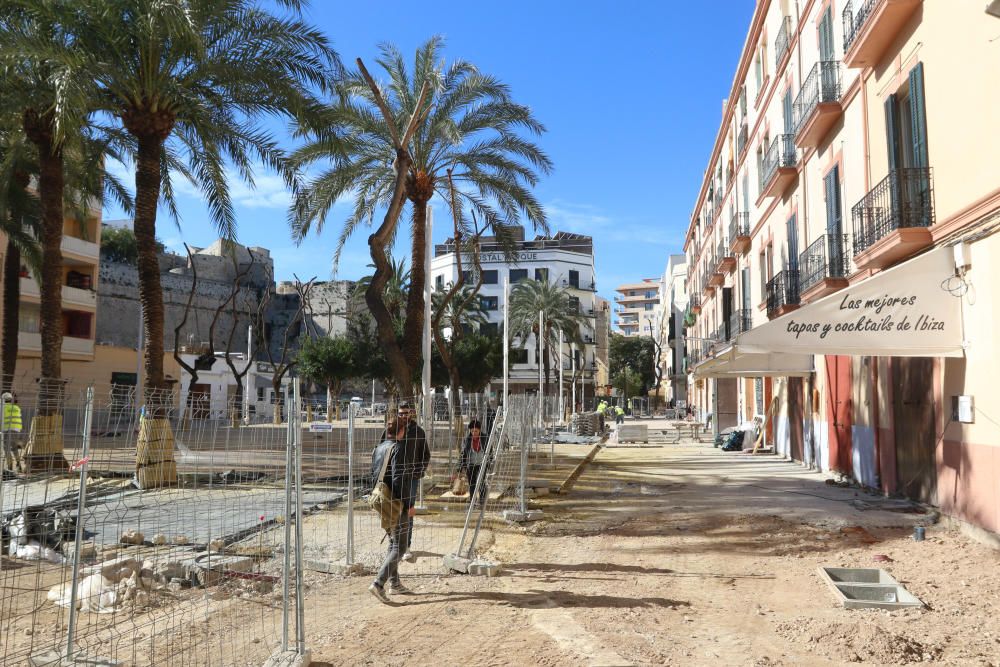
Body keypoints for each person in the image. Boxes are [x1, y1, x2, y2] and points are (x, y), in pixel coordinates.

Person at [369, 416, 421, 603]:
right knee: (400, 547)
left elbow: (373, 474)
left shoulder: (378, 448)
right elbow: (400, 479)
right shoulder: (398, 448)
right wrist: (408, 505)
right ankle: (378, 583)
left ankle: (395, 583)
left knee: (393, 542)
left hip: (381, 500)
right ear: (401, 431)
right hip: (396, 503)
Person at [379, 401, 429, 565]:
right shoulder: (391, 430)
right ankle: (393, 545)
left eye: (406, 413)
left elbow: (425, 455)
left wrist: (418, 472)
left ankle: (406, 546)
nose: (404, 416)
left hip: (411, 479)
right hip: (391, 479)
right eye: (401, 413)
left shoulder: (418, 432)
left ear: (411, 413)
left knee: (408, 510)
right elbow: (381, 449)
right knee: (391, 510)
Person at [457, 419, 489, 506]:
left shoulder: (485, 438)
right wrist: (459, 468)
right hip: (470, 465)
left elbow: (490, 452)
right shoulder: (467, 440)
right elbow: (463, 454)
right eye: (472, 431)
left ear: (479, 430)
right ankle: (472, 501)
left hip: (482, 464)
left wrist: (489, 463)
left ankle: (482, 501)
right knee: (472, 484)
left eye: (476, 431)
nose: (474, 433)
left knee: (481, 482)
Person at [2, 392, 23, 476]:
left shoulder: (3, 407)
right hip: (17, 430)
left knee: (6, 448)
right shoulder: (16, 407)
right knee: (14, 448)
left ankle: (10, 466)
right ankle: (18, 464)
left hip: (7, 430)